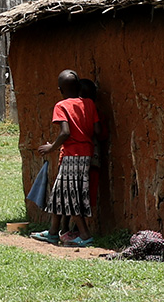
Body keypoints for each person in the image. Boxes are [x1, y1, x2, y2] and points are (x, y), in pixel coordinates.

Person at [33, 70, 101, 247]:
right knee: (59, 193)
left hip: (72, 155)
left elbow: (65, 132)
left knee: (71, 195)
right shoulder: (89, 104)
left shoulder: (61, 106)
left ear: (60, 89)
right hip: (86, 153)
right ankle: (53, 232)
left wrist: (51, 147)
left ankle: (85, 235)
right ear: (78, 86)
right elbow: (97, 131)